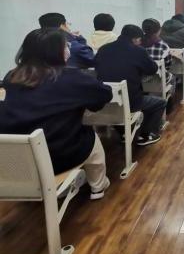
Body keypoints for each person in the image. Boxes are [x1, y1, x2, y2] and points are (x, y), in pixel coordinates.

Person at [0, 29, 113, 200]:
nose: (68, 49)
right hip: (58, 157)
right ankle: (98, 185)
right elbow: (104, 94)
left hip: (17, 161)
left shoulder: (12, 76)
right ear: (56, 52)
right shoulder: (72, 77)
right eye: (66, 46)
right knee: (90, 136)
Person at [96, 25, 166, 146]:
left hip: (104, 100)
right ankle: (145, 135)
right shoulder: (139, 51)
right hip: (130, 101)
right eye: (139, 40)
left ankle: (124, 134)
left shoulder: (103, 49)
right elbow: (153, 69)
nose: (140, 43)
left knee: (121, 108)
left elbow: (97, 66)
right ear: (135, 39)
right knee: (160, 103)